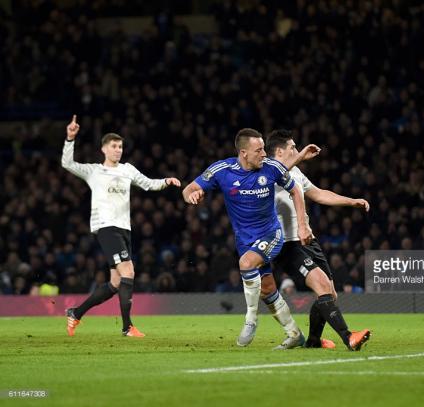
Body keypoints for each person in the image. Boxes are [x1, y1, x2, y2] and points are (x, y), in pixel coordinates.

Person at [182, 128, 320, 349]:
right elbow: (189, 188)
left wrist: (303, 226)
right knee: (267, 289)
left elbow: (296, 190)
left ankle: (250, 320)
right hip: (245, 241)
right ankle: (294, 334)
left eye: (264, 148)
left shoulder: (272, 168)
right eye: (259, 150)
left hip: (271, 234)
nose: (264, 153)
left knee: (246, 263)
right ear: (244, 153)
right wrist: (193, 195)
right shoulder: (223, 170)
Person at [62, 115, 181, 337]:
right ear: (104, 149)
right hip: (106, 227)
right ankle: (127, 327)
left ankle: (75, 313)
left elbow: (148, 184)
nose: (118, 150)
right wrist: (70, 138)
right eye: (114, 146)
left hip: (124, 228)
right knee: (129, 271)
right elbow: (67, 164)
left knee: (116, 282)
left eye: (121, 146)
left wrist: (166, 181)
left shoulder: (127, 170)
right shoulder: (94, 171)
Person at [261, 129, 371, 351]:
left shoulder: (296, 172)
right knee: (321, 285)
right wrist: (301, 155)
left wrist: (351, 202)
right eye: (293, 147)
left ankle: (312, 342)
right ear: (280, 151)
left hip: (308, 239)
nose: (296, 150)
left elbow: (319, 193)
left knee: (330, 294)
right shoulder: (265, 173)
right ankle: (348, 336)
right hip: (287, 244)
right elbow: (278, 173)